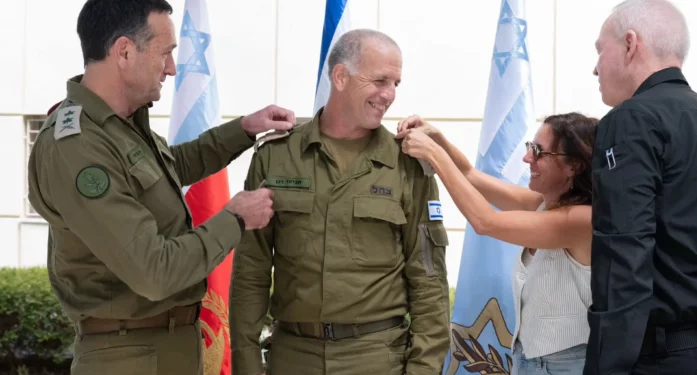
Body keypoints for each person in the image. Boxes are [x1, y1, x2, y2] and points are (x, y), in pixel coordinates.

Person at [26, 1, 295, 374]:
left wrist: (244, 129)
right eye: (165, 54)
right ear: (124, 52)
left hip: (165, 347)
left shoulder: (119, 126)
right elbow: (154, 271)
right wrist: (234, 218)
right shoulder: (77, 146)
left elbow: (170, 168)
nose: (171, 68)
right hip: (128, 356)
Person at [229, 29, 450, 375]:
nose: (389, 95)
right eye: (379, 81)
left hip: (377, 359)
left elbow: (429, 279)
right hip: (292, 358)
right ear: (341, 76)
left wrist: (424, 369)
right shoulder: (276, 157)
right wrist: (246, 363)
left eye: (395, 83)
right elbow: (250, 272)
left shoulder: (407, 164)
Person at [585, 0, 697, 373]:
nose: (594, 67)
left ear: (630, 44)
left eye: (599, 50)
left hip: (667, 357)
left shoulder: (631, 121)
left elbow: (623, 254)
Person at [398, 113, 598, 375]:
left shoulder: (582, 219)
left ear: (574, 165)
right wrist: (438, 139)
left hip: (567, 365)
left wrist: (435, 155)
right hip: (528, 361)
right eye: (529, 148)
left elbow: (485, 221)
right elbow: (470, 175)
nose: (528, 158)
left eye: (538, 152)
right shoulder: (543, 204)